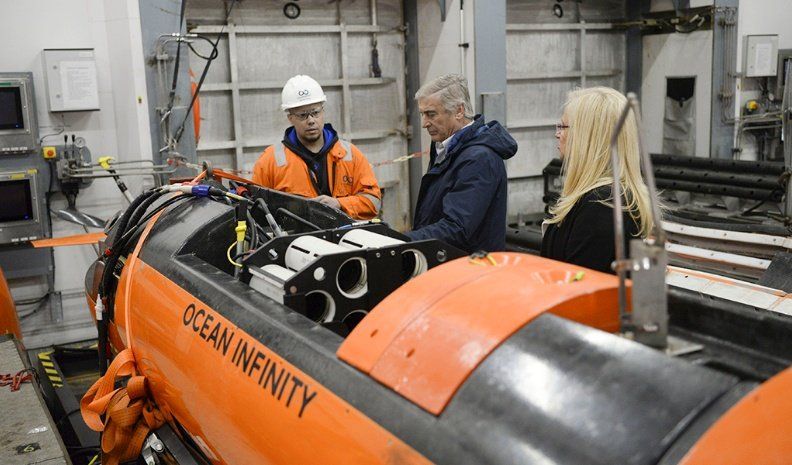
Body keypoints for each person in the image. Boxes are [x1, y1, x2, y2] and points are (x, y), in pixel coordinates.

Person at [540, 87, 657, 274]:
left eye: (563, 127)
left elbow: (577, 284)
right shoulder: (599, 198)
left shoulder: (602, 205)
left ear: (589, 136)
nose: (557, 134)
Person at [406, 74, 517, 253]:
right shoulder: (446, 148)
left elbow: (457, 227)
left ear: (459, 111)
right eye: (422, 114)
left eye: (431, 114)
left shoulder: (479, 159)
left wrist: (405, 241)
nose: (424, 123)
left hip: (471, 265)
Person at [252, 75, 381, 220]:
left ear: (323, 111)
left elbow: (373, 202)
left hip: (346, 233)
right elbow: (256, 210)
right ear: (290, 118)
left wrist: (340, 204)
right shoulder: (270, 161)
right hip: (296, 234)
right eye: (303, 115)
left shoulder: (350, 154)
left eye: (315, 112)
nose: (311, 120)